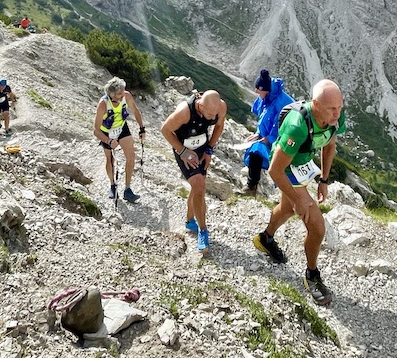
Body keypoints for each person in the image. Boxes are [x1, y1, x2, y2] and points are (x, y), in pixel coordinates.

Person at [253, 79, 345, 307]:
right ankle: (312, 275)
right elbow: (275, 170)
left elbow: (330, 143)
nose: (337, 114)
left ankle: (265, 238)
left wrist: (324, 179)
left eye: (340, 107)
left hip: (303, 164)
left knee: (286, 209)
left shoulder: (334, 118)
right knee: (317, 226)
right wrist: (299, 200)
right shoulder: (297, 125)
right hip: (286, 167)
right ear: (315, 104)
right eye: (332, 108)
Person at [161, 89, 226, 255]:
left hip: (201, 147)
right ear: (200, 104)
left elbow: (219, 126)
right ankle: (203, 231)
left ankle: (189, 221)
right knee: (199, 187)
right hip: (183, 148)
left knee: (199, 187)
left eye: (215, 113)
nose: (212, 117)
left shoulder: (219, 108)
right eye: (209, 113)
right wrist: (182, 151)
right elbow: (165, 130)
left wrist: (209, 150)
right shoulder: (184, 112)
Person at [238, 69, 293, 196]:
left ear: (266, 90)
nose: (256, 91)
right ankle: (251, 186)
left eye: (259, 89)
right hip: (268, 136)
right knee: (255, 151)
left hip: (284, 140)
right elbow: (263, 118)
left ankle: (286, 193)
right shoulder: (266, 96)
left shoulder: (282, 103)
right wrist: (258, 133)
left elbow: (281, 126)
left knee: (262, 153)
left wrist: (269, 138)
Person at [94, 77, 146, 203]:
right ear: (111, 94)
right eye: (119, 94)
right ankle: (112, 185)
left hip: (122, 127)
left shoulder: (126, 96)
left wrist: (142, 128)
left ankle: (127, 189)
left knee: (131, 156)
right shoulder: (103, 104)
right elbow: (96, 130)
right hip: (107, 131)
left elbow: (135, 110)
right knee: (110, 160)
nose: (122, 96)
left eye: (123, 92)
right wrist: (108, 141)